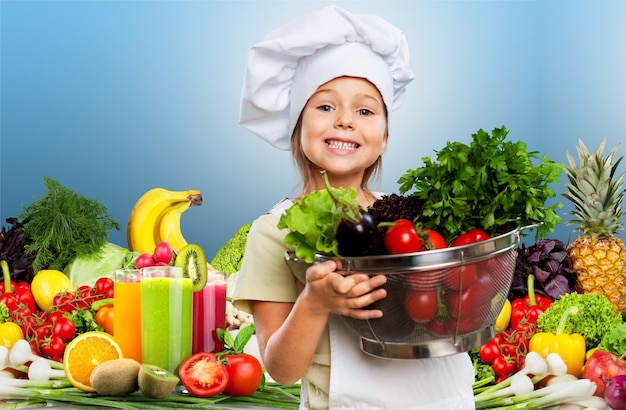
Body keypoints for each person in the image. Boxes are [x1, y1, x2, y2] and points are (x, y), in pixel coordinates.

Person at [232, 5, 475, 409]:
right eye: (325, 106)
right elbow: (281, 369)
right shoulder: (274, 232)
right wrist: (315, 302)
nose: (345, 121)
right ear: (298, 125)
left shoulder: (411, 221)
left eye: (365, 110)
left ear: (383, 138)